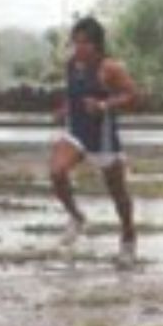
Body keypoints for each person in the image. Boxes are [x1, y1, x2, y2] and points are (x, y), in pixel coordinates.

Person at [50, 16, 139, 267]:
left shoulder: (110, 68)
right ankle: (77, 217)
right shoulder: (71, 65)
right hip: (77, 132)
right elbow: (73, 95)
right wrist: (64, 109)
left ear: (96, 45)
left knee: (118, 194)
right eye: (75, 42)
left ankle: (128, 239)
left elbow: (134, 96)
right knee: (56, 171)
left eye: (83, 43)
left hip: (103, 137)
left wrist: (104, 105)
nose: (78, 48)